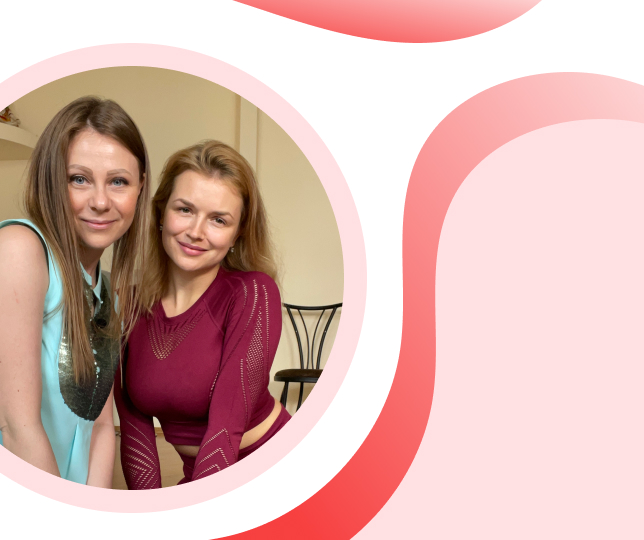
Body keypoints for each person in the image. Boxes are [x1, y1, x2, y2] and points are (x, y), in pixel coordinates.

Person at [115, 140, 290, 488]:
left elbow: (227, 427)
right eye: (185, 209)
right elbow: (133, 425)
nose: (195, 232)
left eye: (218, 220)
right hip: (201, 477)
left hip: (274, 470)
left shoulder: (252, 293)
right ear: (161, 213)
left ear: (237, 234)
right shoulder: (128, 305)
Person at [0, 97, 150, 486]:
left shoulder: (109, 292)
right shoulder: (20, 249)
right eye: (79, 179)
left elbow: (99, 426)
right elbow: (16, 428)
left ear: (140, 188)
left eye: (118, 181)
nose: (100, 202)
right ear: (51, 181)